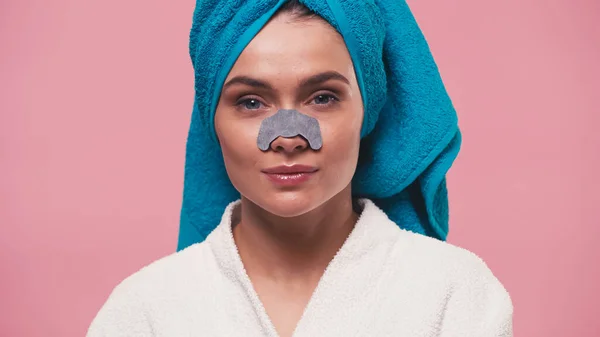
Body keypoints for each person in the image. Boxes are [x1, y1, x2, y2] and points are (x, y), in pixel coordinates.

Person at [87, 1, 513, 336]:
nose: (288, 136)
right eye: (251, 102)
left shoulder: (455, 294)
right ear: (211, 121)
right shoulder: (142, 312)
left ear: (368, 112)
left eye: (323, 97)